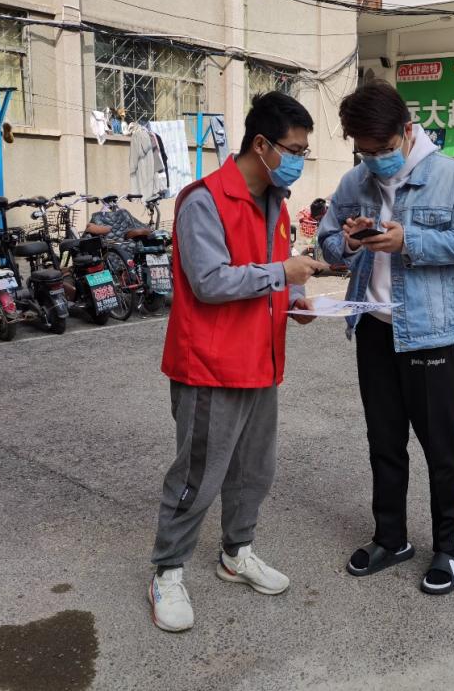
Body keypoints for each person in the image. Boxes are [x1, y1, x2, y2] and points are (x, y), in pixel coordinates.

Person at [147, 92, 327, 632]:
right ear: (261, 144)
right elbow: (208, 281)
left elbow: (274, 268)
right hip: (211, 364)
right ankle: (167, 571)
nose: (298, 160)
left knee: (254, 471)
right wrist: (281, 276)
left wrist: (294, 299)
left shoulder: (275, 200)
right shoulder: (203, 201)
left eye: (304, 151)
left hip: (261, 360)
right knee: (198, 474)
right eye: (293, 150)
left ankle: (236, 553)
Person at [318, 81, 454, 596]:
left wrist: (409, 240)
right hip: (373, 327)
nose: (375, 160)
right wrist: (349, 241)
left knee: (441, 449)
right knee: (384, 443)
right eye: (365, 152)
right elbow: (327, 241)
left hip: (430, 335)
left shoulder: (451, 177)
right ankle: (390, 539)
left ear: (408, 131)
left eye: (384, 149)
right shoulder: (356, 181)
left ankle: (449, 548)